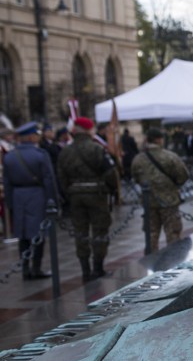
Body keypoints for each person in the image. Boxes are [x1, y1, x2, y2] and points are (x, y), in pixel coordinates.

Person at [57, 117, 118, 281]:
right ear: (89, 130)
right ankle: (98, 268)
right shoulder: (96, 149)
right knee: (99, 230)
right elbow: (110, 173)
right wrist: (112, 189)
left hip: (75, 196)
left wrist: (69, 192)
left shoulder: (65, 151)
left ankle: (85, 270)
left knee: (80, 232)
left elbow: (61, 177)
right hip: (96, 195)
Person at [2, 122, 58, 279]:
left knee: (23, 235)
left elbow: (7, 183)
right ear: (32, 136)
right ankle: (36, 268)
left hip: (18, 196)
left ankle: (25, 268)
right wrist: (52, 202)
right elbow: (49, 180)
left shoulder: (10, 157)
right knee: (38, 234)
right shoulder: (40, 155)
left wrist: (10, 204)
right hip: (37, 195)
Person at [131, 127, 189, 251]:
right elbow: (183, 176)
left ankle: (152, 264)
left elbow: (135, 177)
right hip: (169, 201)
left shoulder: (138, 159)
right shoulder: (170, 156)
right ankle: (174, 262)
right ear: (159, 140)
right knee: (173, 234)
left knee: (151, 235)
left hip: (149, 202)